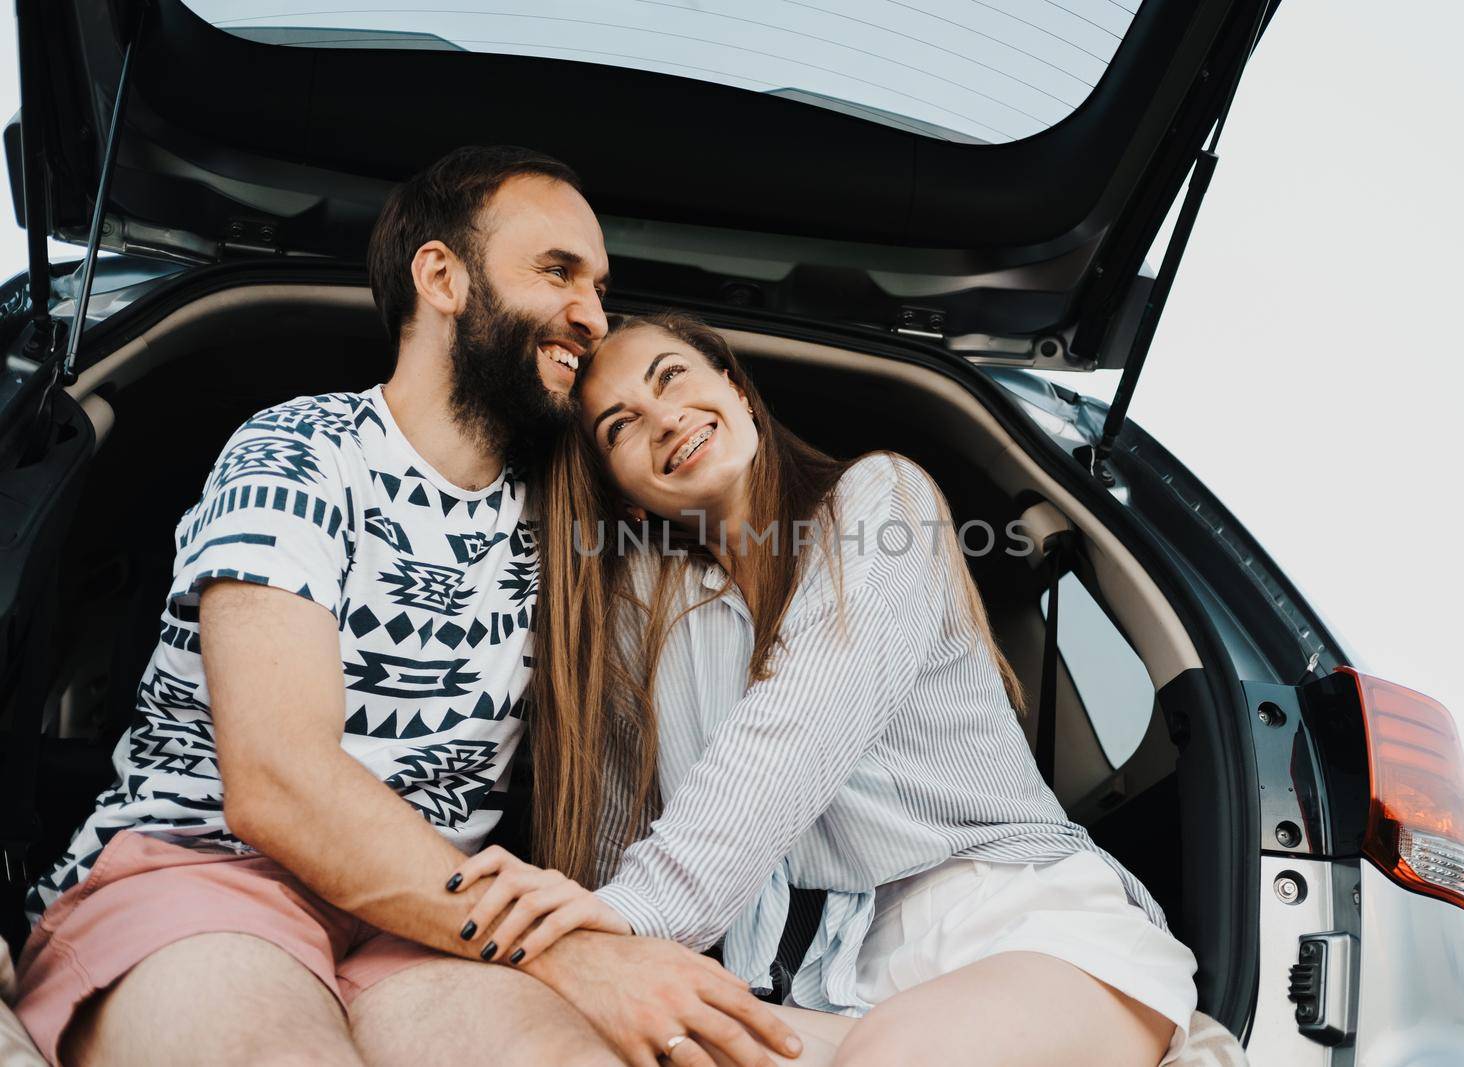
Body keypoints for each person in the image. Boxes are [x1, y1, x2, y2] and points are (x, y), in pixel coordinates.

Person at [11, 152, 800, 1067]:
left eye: (600, 286)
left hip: (427, 929)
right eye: (559, 271)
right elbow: (280, 786)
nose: (592, 315)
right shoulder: (301, 451)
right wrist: (573, 954)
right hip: (209, 873)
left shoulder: (569, 528)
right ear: (441, 277)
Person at [447, 313, 1201, 1066]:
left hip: (1015, 921)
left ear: (738, 392)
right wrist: (590, 947)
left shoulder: (881, 503)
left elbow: (792, 730)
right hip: (829, 981)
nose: (665, 417)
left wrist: (633, 913)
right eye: (620, 426)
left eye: (671, 376)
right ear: (626, 498)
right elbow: (621, 835)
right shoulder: (653, 620)